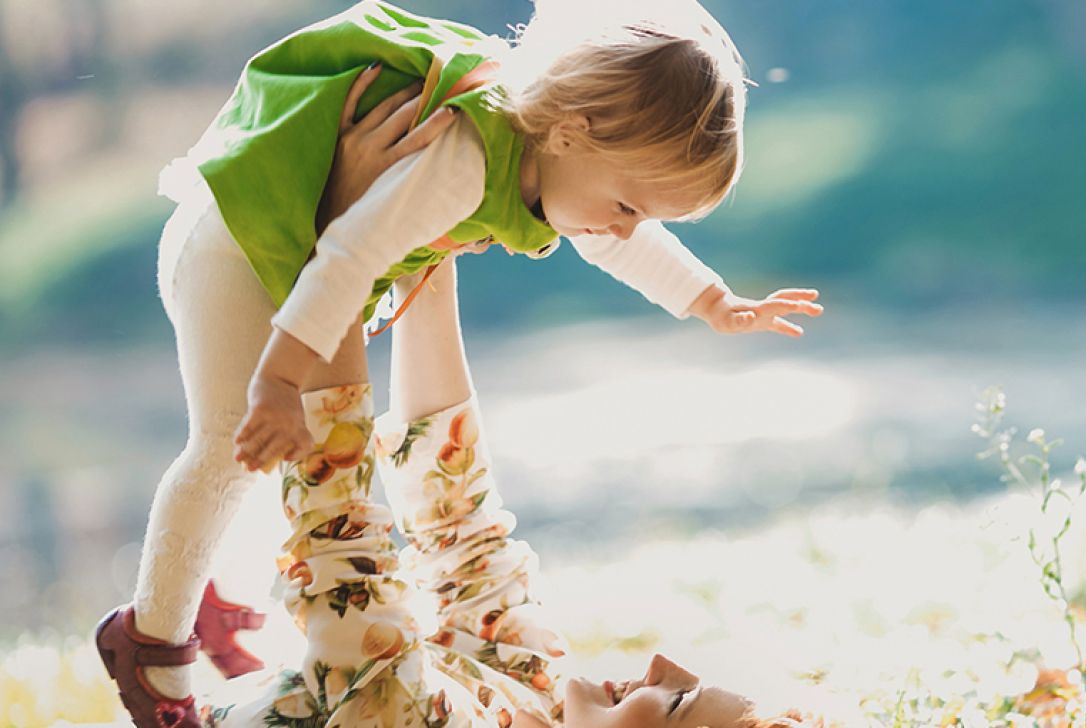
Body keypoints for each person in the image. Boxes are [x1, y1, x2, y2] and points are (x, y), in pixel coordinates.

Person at [92, 1, 823, 726]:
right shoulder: (470, 160)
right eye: (631, 205)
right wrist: (286, 377)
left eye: (677, 700)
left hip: (279, 250)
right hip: (245, 236)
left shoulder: (536, 161)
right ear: (570, 133)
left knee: (244, 441)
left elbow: (342, 529)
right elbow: (457, 521)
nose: (665, 663)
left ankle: (171, 619)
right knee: (233, 439)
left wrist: (709, 299)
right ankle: (166, 628)